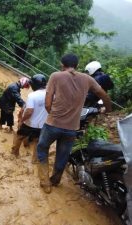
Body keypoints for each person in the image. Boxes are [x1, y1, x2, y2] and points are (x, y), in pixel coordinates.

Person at [36, 54, 112, 194]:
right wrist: (107, 109)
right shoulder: (87, 78)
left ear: (62, 65)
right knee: (63, 155)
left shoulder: (56, 76)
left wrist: (52, 114)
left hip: (52, 124)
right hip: (71, 129)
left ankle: (45, 182)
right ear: (77, 65)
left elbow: (48, 102)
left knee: (42, 148)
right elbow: (104, 95)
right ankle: (56, 180)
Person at [11, 74, 48, 160]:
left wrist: (22, 120)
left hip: (29, 123)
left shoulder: (32, 95)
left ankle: (15, 153)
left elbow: (29, 111)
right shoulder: (50, 95)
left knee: (19, 136)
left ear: (34, 85)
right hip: (42, 125)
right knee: (37, 142)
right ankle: (34, 160)